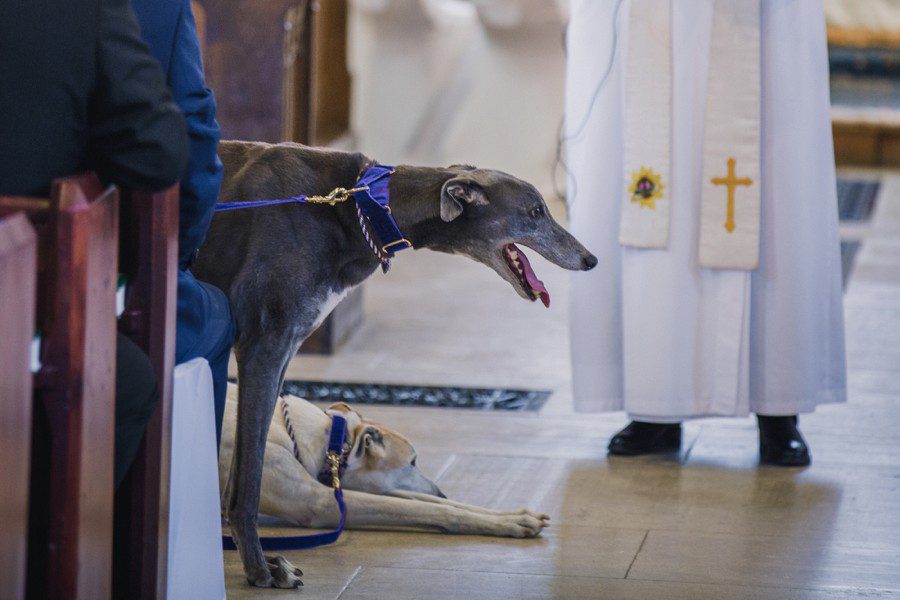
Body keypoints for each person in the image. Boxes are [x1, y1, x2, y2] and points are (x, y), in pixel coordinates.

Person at [565, 0, 846, 466]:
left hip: (767, 19)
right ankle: (655, 402)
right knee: (657, 188)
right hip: (648, 20)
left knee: (776, 191)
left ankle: (779, 405)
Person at [0, 0, 188, 485]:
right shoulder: (78, 11)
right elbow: (158, 155)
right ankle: (42, 554)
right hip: (13, 311)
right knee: (124, 384)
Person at [131, 0, 236, 447]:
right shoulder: (157, 8)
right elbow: (194, 145)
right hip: (110, 278)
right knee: (215, 318)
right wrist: (179, 253)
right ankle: (179, 515)